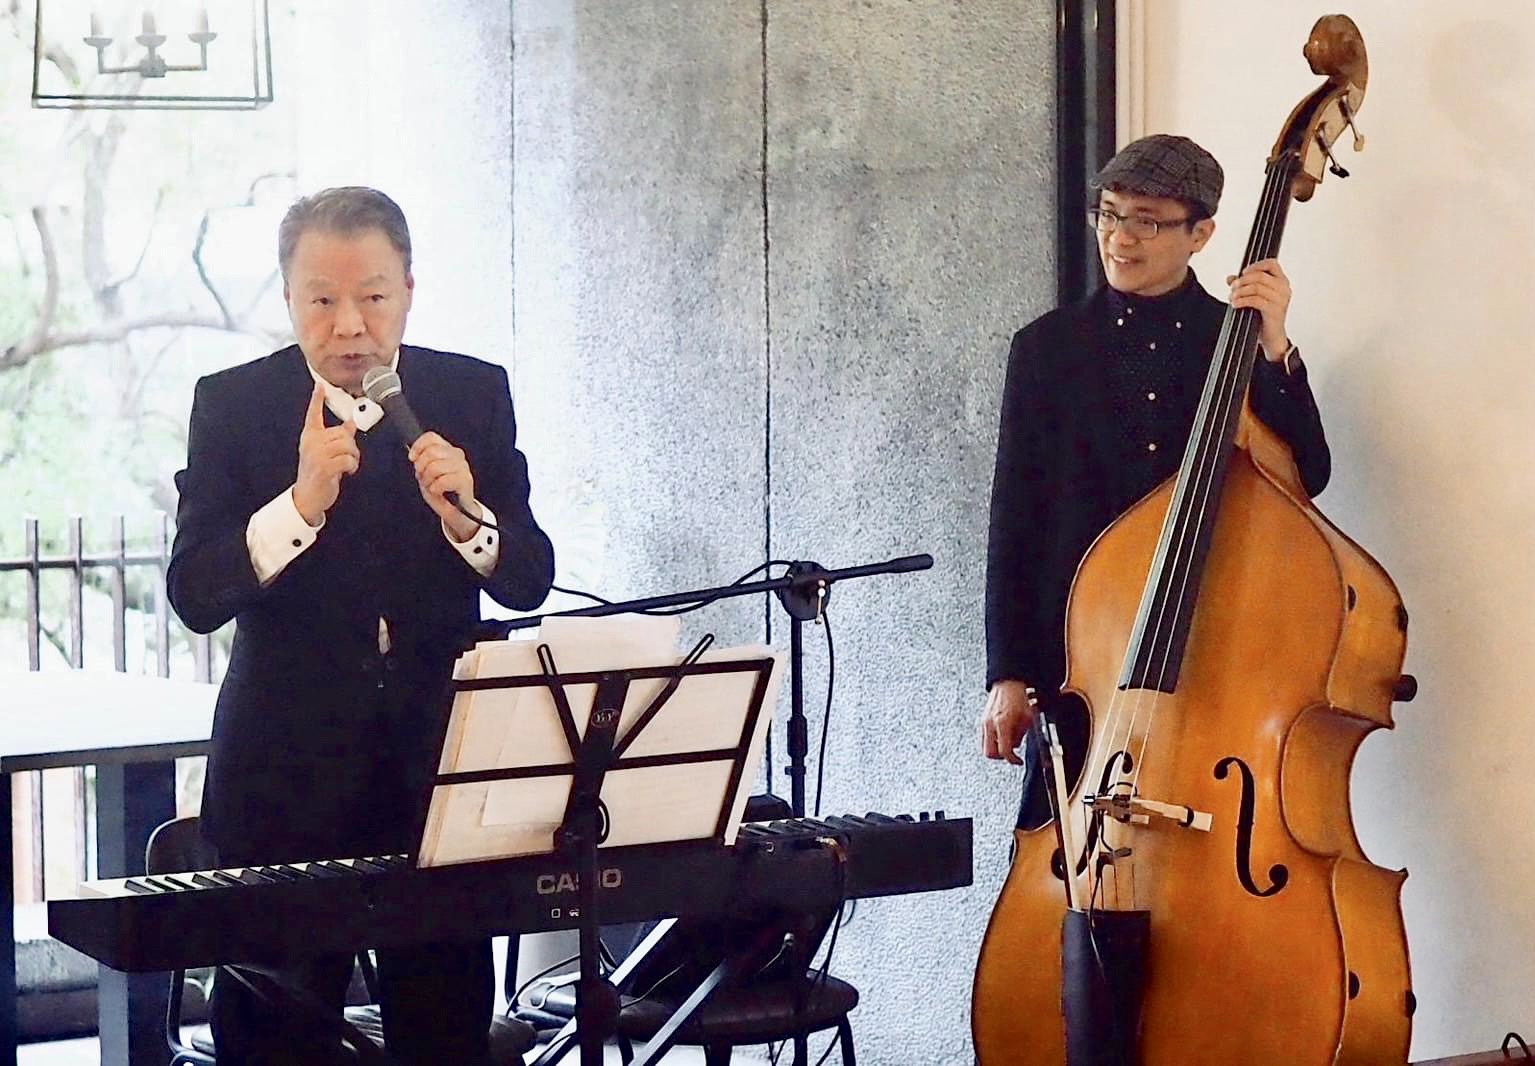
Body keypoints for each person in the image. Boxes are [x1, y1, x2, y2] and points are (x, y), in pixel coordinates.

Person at [167, 186, 555, 1065]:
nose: (349, 326)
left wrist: (469, 522)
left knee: (443, 1038)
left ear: (408, 290)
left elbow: (529, 577)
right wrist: (299, 504)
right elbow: (194, 592)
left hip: (436, 784)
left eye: (373, 296)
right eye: (321, 300)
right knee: (274, 1045)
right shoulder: (234, 404)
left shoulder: (470, 393)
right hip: (281, 786)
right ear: (287, 298)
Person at [979, 134, 1330, 826]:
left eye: (1146, 221)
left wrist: (1274, 346)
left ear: (1201, 234)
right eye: (1109, 214)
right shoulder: (1046, 349)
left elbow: (1307, 475)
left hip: (1208, 654)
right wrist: (1007, 673)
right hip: (1078, 666)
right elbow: (1014, 519)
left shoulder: (1235, 339)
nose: (1119, 238)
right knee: (1060, 864)